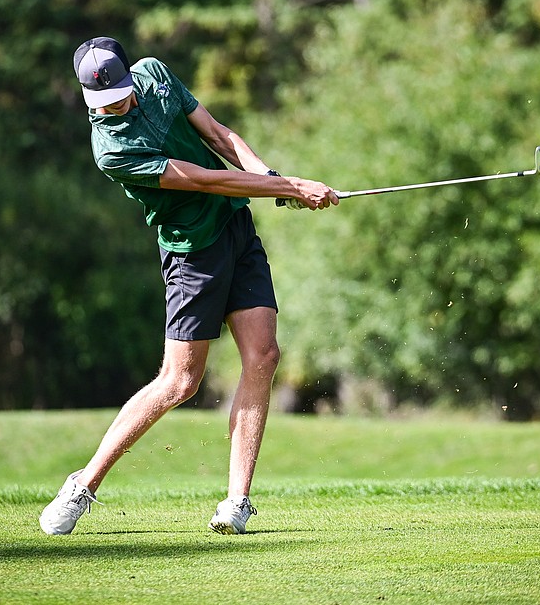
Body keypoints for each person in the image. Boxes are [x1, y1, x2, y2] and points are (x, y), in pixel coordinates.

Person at [39, 37, 339, 536]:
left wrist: (269, 176)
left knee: (263, 356)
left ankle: (236, 502)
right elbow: (202, 178)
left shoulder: (155, 73)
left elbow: (220, 137)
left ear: (128, 78)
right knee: (180, 382)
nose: (111, 106)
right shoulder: (111, 149)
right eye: (100, 102)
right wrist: (291, 188)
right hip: (191, 251)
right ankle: (82, 486)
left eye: (116, 94)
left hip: (235, 230)